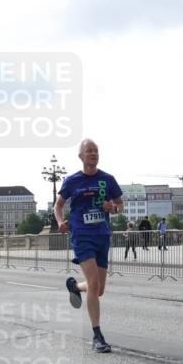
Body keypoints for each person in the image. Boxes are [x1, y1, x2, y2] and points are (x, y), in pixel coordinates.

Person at [54, 139, 124, 353]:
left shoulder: (107, 179)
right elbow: (58, 205)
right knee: (94, 284)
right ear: (81, 156)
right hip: (82, 235)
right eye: (89, 151)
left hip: (102, 235)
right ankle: (97, 336)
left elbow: (120, 205)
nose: (93, 154)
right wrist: (60, 222)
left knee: (99, 289)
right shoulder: (72, 181)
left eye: (96, 151)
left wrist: (113, 208)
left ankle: (75, 287)